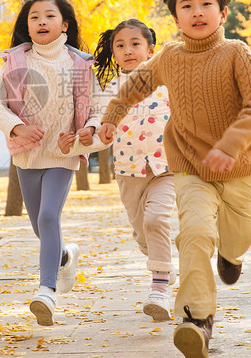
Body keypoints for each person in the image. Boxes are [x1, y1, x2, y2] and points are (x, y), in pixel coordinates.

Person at [97, 0, 251, 358]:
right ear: (174, 15)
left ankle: (234, 256)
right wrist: (110, 119)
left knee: (237, 236)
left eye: (206, 3)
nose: (197, 12)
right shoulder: (170, 57)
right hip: (191, 167)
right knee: (193, 234)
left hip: (238, 169)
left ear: (223, 10)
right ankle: (197, 321)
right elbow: (133, 86)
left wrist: (229, 146)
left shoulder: (236, 53)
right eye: (186, 5)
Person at [0, 0, 102, 326]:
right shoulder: (16, 61)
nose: (41, 22)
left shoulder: (80, 64)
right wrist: (18, 128)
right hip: (27, 155)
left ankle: (46, 291)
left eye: (49, 16)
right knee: (39, 225)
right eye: (34, 17)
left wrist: (85, 132)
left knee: (50, 216)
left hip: (63, 154)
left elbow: (95, 108)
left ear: (64, 24)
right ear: (27, 25)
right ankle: (65, 255)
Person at [63, 19, 177, 321]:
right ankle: (161, 261)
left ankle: (160, 288)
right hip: (128, 171)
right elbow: (101, 134)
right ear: (113, 53)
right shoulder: (108, 92)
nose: (128, 50)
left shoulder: (168, 84)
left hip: (167, 167)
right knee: (143, 233)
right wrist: (82, 142)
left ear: (151, 49)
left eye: (135, 44)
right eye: (121, 46)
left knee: (156, 220)